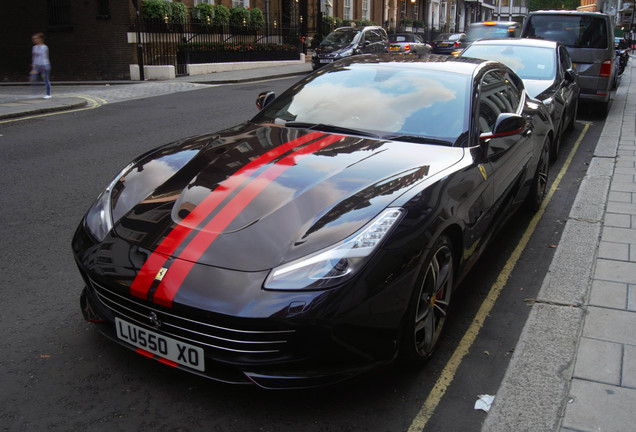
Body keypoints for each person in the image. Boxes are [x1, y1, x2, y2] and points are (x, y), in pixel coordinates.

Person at [31, 32, 51, 99]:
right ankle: (36, 91)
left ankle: (48, 94)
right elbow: (34, 57)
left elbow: (44, 57)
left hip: (44, 65)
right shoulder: (34, 47)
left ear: (40, 39)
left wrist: (44, 68)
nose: (34, 40)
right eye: (34, 39)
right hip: (37, 66)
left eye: (36, 38)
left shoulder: (44, 47)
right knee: (33, 77)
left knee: (46, 79)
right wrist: (34, 65)